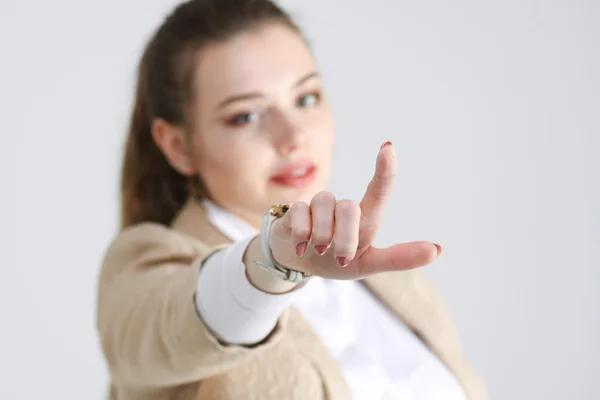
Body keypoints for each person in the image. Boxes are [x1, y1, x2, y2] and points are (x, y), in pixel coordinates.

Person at [96, 0, 487, 399]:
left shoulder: (394, 280)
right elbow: (177, 324)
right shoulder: (145, 271)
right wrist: (271, 264)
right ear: (179, 146)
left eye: (305, 99)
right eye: (246, 116)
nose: (293, 136)